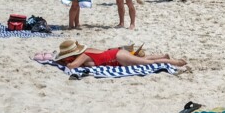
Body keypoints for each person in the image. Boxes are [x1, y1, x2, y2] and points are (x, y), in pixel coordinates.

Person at [53, 39, 186, 69]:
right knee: (142, 59)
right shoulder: (88, 50)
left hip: (117, 57)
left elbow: (72, 66)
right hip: (116, 54)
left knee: (147, 63)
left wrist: (60, 62)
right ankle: (163, 56)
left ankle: (175, 62)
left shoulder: (82, 56)